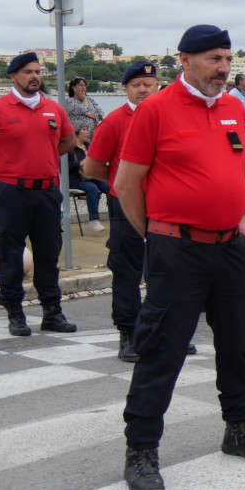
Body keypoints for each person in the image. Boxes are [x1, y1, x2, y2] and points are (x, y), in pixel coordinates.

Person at [114, 25, 245, 490]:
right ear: (184, 60)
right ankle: (141, 450)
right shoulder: (155, 110)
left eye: (227, 59)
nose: (224, 69)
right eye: (213, 59)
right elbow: (127, 186)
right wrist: (160, 236)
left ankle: (241, 428)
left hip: (230, 247)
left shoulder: (232, 106)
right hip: (176, 249)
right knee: (162, 349)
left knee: (237, 341)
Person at [0, 52, 77, 336]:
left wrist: (44, 160)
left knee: (48, 253)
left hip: (47, 192)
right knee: (10, 253)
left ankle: (52, 312)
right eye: (28, 72)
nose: (35, 76)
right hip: (12, 192)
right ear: (13, 76)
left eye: (38, 71)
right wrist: (5, 161)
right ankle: (15, 312)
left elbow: (68, 142)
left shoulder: (54, 108)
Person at [84, 60, 187, 362]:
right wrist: (121, 185)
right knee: (127, 271)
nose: (143, 89)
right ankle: (128, 332)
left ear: (157, 86)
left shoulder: (172, 117)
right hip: (126, 205)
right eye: (136, 85)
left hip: (164, 205)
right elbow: (91, 167)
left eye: (148, 84)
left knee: (169, 269)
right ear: (126, 88)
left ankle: (167, 331)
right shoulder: (114, 122)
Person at [68, 125, 109, 232]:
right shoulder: (70, 148)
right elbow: (64, 166)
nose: (87, 132)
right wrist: (79, 163)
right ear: (76, 133)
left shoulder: (89, 146)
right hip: (77, 179)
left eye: (87, 130)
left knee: (111, 187)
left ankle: (116, 216)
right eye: (84, 130)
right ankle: (94, 220)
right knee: (93, 189)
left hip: (93, 176)